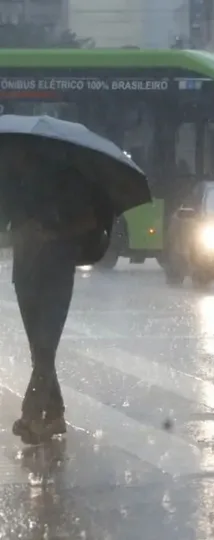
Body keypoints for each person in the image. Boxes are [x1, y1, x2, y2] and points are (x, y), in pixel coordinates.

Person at [2, 144, 99, 444]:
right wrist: (20, 232)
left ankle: (31, 415)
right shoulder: (12, 184)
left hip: (56, 274)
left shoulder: (66, 184)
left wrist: (53, 234)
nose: (11, 156)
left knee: (45, 346)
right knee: (39, 349)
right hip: (26, 274)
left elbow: (90, 221)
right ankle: (55, 414)